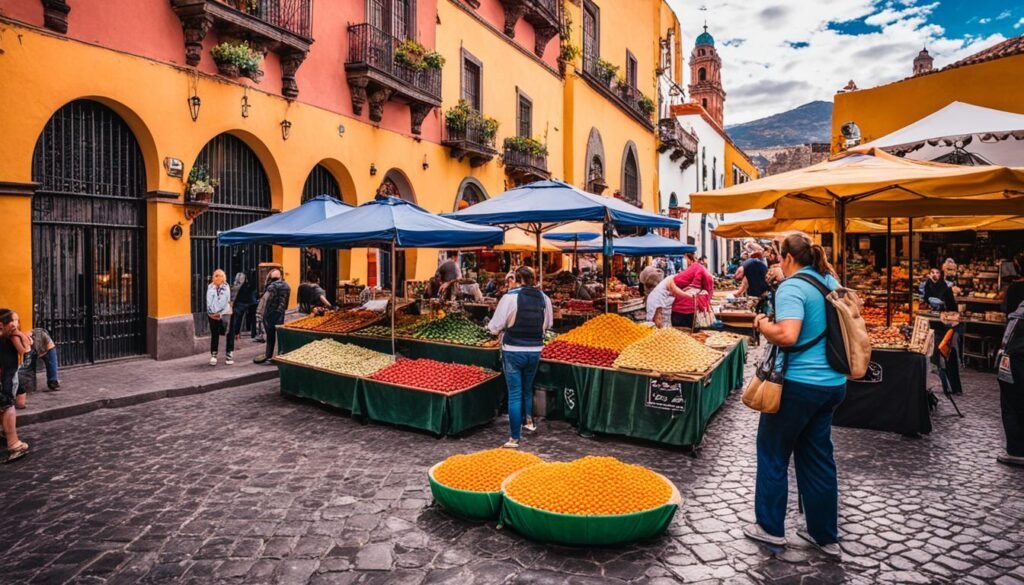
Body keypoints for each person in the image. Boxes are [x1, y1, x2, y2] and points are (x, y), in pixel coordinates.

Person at [745, 233, 846, 558]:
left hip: (798, 384)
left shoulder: (793, 287)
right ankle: (823, 535)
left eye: (778, 257)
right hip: (832, 383)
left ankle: (770, 528)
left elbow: (788, 334)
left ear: (787, 257)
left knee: (773, 452)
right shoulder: (828, 279)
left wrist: (762, 324)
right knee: (817, 457)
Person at [487, 266, 553, 449]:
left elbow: (495, 327)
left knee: (514, 393)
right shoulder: (544, 298)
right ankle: (529, 422)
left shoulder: (509, 297)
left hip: (513, 351)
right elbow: (548, 324)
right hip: (535, 351)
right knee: (527, 387)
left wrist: (494, 330)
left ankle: (514, 438)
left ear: (517, 279)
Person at [999, 254, 1024, 467]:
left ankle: (1016, 450)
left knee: (1012, 400)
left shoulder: (1016, 290)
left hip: (1016, 354)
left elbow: (1006, 313)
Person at [921, 267, 962, 396]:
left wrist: (945, 311)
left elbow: (953, 308)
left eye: (937, 272)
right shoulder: (927, 286)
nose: (935, 275)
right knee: (935, 356)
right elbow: (925, 301)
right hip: (933, 324)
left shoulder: (945, 287)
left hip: (944, 326)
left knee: (946, 354)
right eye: (932, 272)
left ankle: (952, 386)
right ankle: (941, 385)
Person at [1, 309, 32, 463]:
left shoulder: (12, 336)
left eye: (17, 321)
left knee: (7, 405)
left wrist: (20, 334)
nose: (14, 324)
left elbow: (26, 349)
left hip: (8, 376)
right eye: (12, 321)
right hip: (5, 375)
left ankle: (14, 444)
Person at [253, 269, 291, 364]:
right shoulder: (287, 286)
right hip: (280, 313)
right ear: (281, 276)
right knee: (280, 335)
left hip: (270, 313)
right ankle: (280, 354)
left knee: (270, 336)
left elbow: (264, 301)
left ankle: (269, 355)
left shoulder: (271, 287)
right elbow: (286, 303)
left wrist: (259, 313)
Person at [668, 252, 713, 328]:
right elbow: (710, 283)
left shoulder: (694, 268)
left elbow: (675, 282)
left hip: (682, 309)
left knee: (680, 335)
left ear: (688, 258)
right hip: (691, 309)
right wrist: (707, 301)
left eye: (684, 258)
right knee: (693, 336)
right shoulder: (698, 269)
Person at [206, 269, 233, 366]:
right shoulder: (210, 287)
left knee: (228, 332)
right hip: (212, 314)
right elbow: (208, 300)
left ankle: (229, 354)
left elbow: (225, 301)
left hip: (225, 312)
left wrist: (219, 312)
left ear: (224, 278)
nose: (218, 278)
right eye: (216, 275)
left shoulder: (226, 287)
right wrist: (211, 311)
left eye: (220, 276)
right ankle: (213, 355)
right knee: (214, 334)